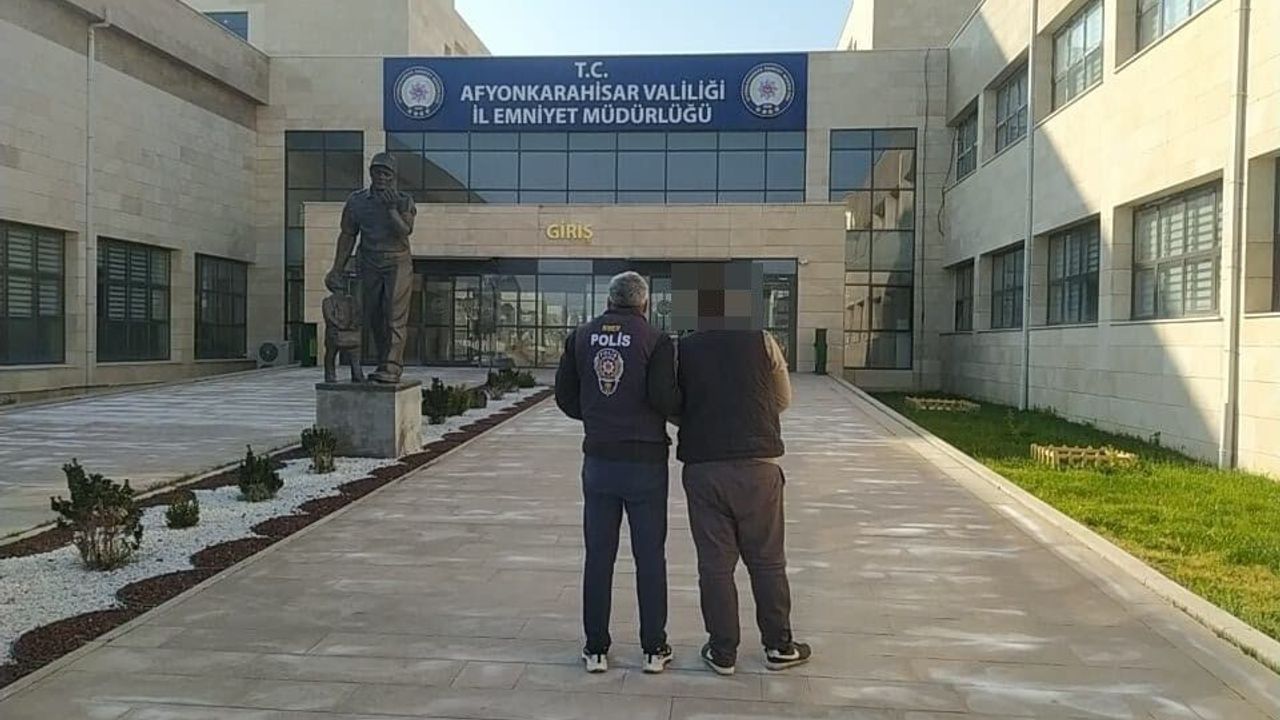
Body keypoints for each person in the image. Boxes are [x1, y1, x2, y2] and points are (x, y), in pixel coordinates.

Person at [554, 272, 680, 674]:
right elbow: (664, 398)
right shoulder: (657, 340)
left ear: (609, 301)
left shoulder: (580, 337)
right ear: (644, 303)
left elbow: (565, 397)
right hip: (646, 462)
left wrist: (597, 415)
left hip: (599, 460)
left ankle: (596, 648)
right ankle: (653, 648)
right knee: (650, 556)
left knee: (599, 556)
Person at [677, 327, 811, 676]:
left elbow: (672, 403)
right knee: (767, 560)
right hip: (759, 466)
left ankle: (722, 651)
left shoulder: (685, 348)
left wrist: (700, 420)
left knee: (715, 565)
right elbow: (782, 399)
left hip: (704, 467)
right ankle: (779, 646)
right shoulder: (763, 341)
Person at [325, 152, 415, 384]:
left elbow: (405, 231)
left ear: (394, 176)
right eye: (377, 172)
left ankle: (392, 367)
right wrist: (337, 267)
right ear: (370, 173)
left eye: (386, 173)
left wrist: (391, 209)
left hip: (397, 261)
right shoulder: (357, 201)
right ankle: (382, 362)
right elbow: (348, 235)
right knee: (373, 315)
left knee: (394, 315)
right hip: (369, 261)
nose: (381, 177)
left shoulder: (403, 200)